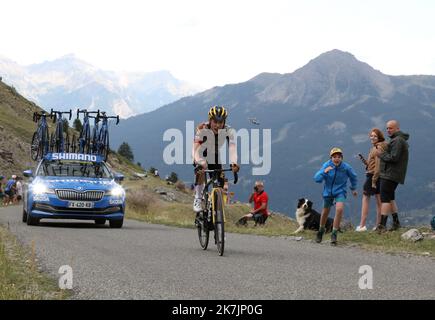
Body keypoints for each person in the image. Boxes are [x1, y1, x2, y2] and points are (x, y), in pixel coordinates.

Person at [192, 105, 239, 224]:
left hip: (215, 156)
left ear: (224, 122)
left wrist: (234, 162)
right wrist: (198, 161)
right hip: (201, 153)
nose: (218, 125)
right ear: (210, 120)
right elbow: (196, 148)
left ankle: (215, 210)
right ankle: (198, 197)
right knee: (202, 167)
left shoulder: (228, 131)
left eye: (221, 122)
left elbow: (232, 149)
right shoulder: (202, 128)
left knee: (220, 183)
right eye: (215, 122)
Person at [314, 148, 358, 245]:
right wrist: (324, 172)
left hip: (340, 192)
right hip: (328, 192)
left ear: (342, 158)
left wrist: (353, 188)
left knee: (339, 209)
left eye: (339, 157)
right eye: (334, 157)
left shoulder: (346, 167)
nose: (336, 159)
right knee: (325, 212)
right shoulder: (326, 165)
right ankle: (321, 231)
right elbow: (317, 179)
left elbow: (353, 177)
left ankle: (334, 233)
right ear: (331, 158)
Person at [374, 120, 409, 232]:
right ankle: (396, 222)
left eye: (391, 128)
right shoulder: (397, 139)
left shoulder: (397, 140)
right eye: (387, 128)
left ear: (397, 128)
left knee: (384, 199)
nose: (388, 130)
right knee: (390, 198)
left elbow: (394, 158)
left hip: (390, 174)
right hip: (393, 174)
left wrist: (381, 154)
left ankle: (382, 226)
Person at [356, 128, 388, 232]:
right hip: (378, 176)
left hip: (373, 177)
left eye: (375, 136)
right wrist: (365, 161)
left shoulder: (377, 148)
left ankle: (362, 225)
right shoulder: (376, 147)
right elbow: (373, 164)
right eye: (371, 135)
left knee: (365, 199)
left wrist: (374, 180)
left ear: (379, 137)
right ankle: (378, 224)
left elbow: (378, 166)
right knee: (379, 201)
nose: (372, 137)